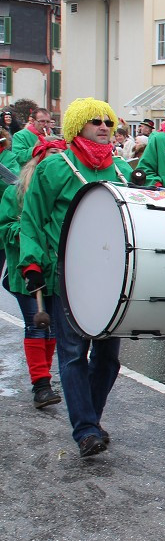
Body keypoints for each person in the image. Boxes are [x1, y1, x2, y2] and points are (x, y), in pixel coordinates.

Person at [17, 98, 134, 457]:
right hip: (67, 277)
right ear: (76, 127)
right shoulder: (55, 167)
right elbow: (32, 219)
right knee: (72, 354)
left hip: (112, 279)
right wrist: (31, 263)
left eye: (107, 121)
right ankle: (85, 429)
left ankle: (90, 420)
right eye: (94, 121)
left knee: (108, 359)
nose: (103, 126)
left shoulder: (120, 172)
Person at [0, 134, 66, 409]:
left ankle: (45, 378)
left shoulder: (63, 191)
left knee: (50, 327)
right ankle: (41, 384)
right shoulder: (15, 192)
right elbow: (5, 227)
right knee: (36, 324)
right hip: (25, 269)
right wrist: (28, 231)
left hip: (56, 269)